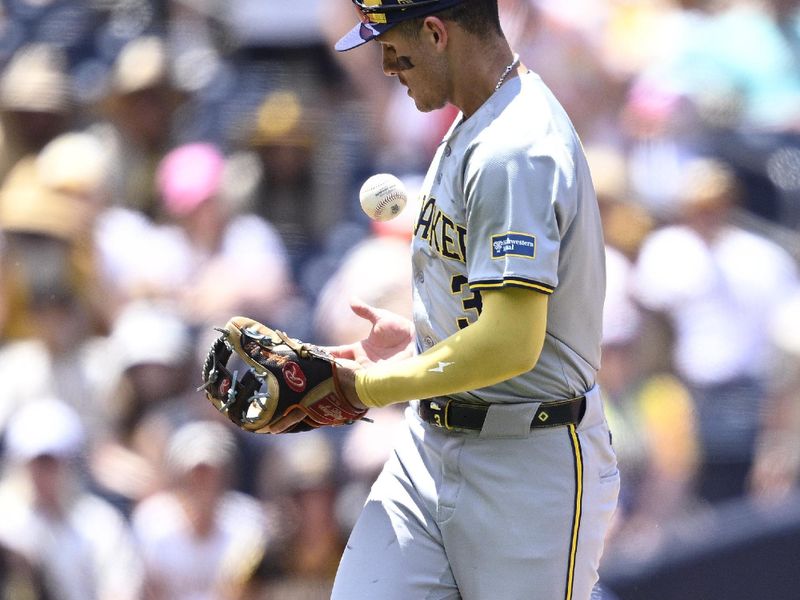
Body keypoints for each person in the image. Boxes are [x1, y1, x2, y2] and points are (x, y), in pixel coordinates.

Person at [268, 1, 620, 598]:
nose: (384, 65)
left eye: (391, 45)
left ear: (435, 32)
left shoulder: (517, 147)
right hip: (429, 447)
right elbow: (488, 310)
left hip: (526, 465)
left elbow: (512, 342)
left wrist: (371, 387)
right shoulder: (475, 120)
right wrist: (421, 336)